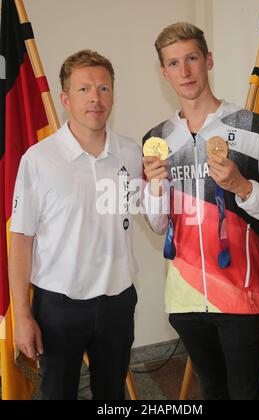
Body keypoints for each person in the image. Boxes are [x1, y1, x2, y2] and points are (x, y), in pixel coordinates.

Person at [143, 22, 259, 400]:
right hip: (183, 297)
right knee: (212, 389)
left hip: (241, 293)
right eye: (174, 63)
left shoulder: (253, 128)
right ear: (164, 73)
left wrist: (243, 188)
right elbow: (157, 222)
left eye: (192, 58)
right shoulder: (156, 139)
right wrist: (156, 188)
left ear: (208, 60)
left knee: (244, 392)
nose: (185, 71)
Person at [9, 50, 142, 400]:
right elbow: (20, 238)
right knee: (56, 393)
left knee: (111, 395)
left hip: (118, 302)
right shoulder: (38, 159)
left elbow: (152, 216)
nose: (95, 98)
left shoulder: (132, 153)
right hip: (58, 307)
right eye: (84, 89)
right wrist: (22, 314)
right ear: (66, 98)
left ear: (113, 93)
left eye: (103, 88)